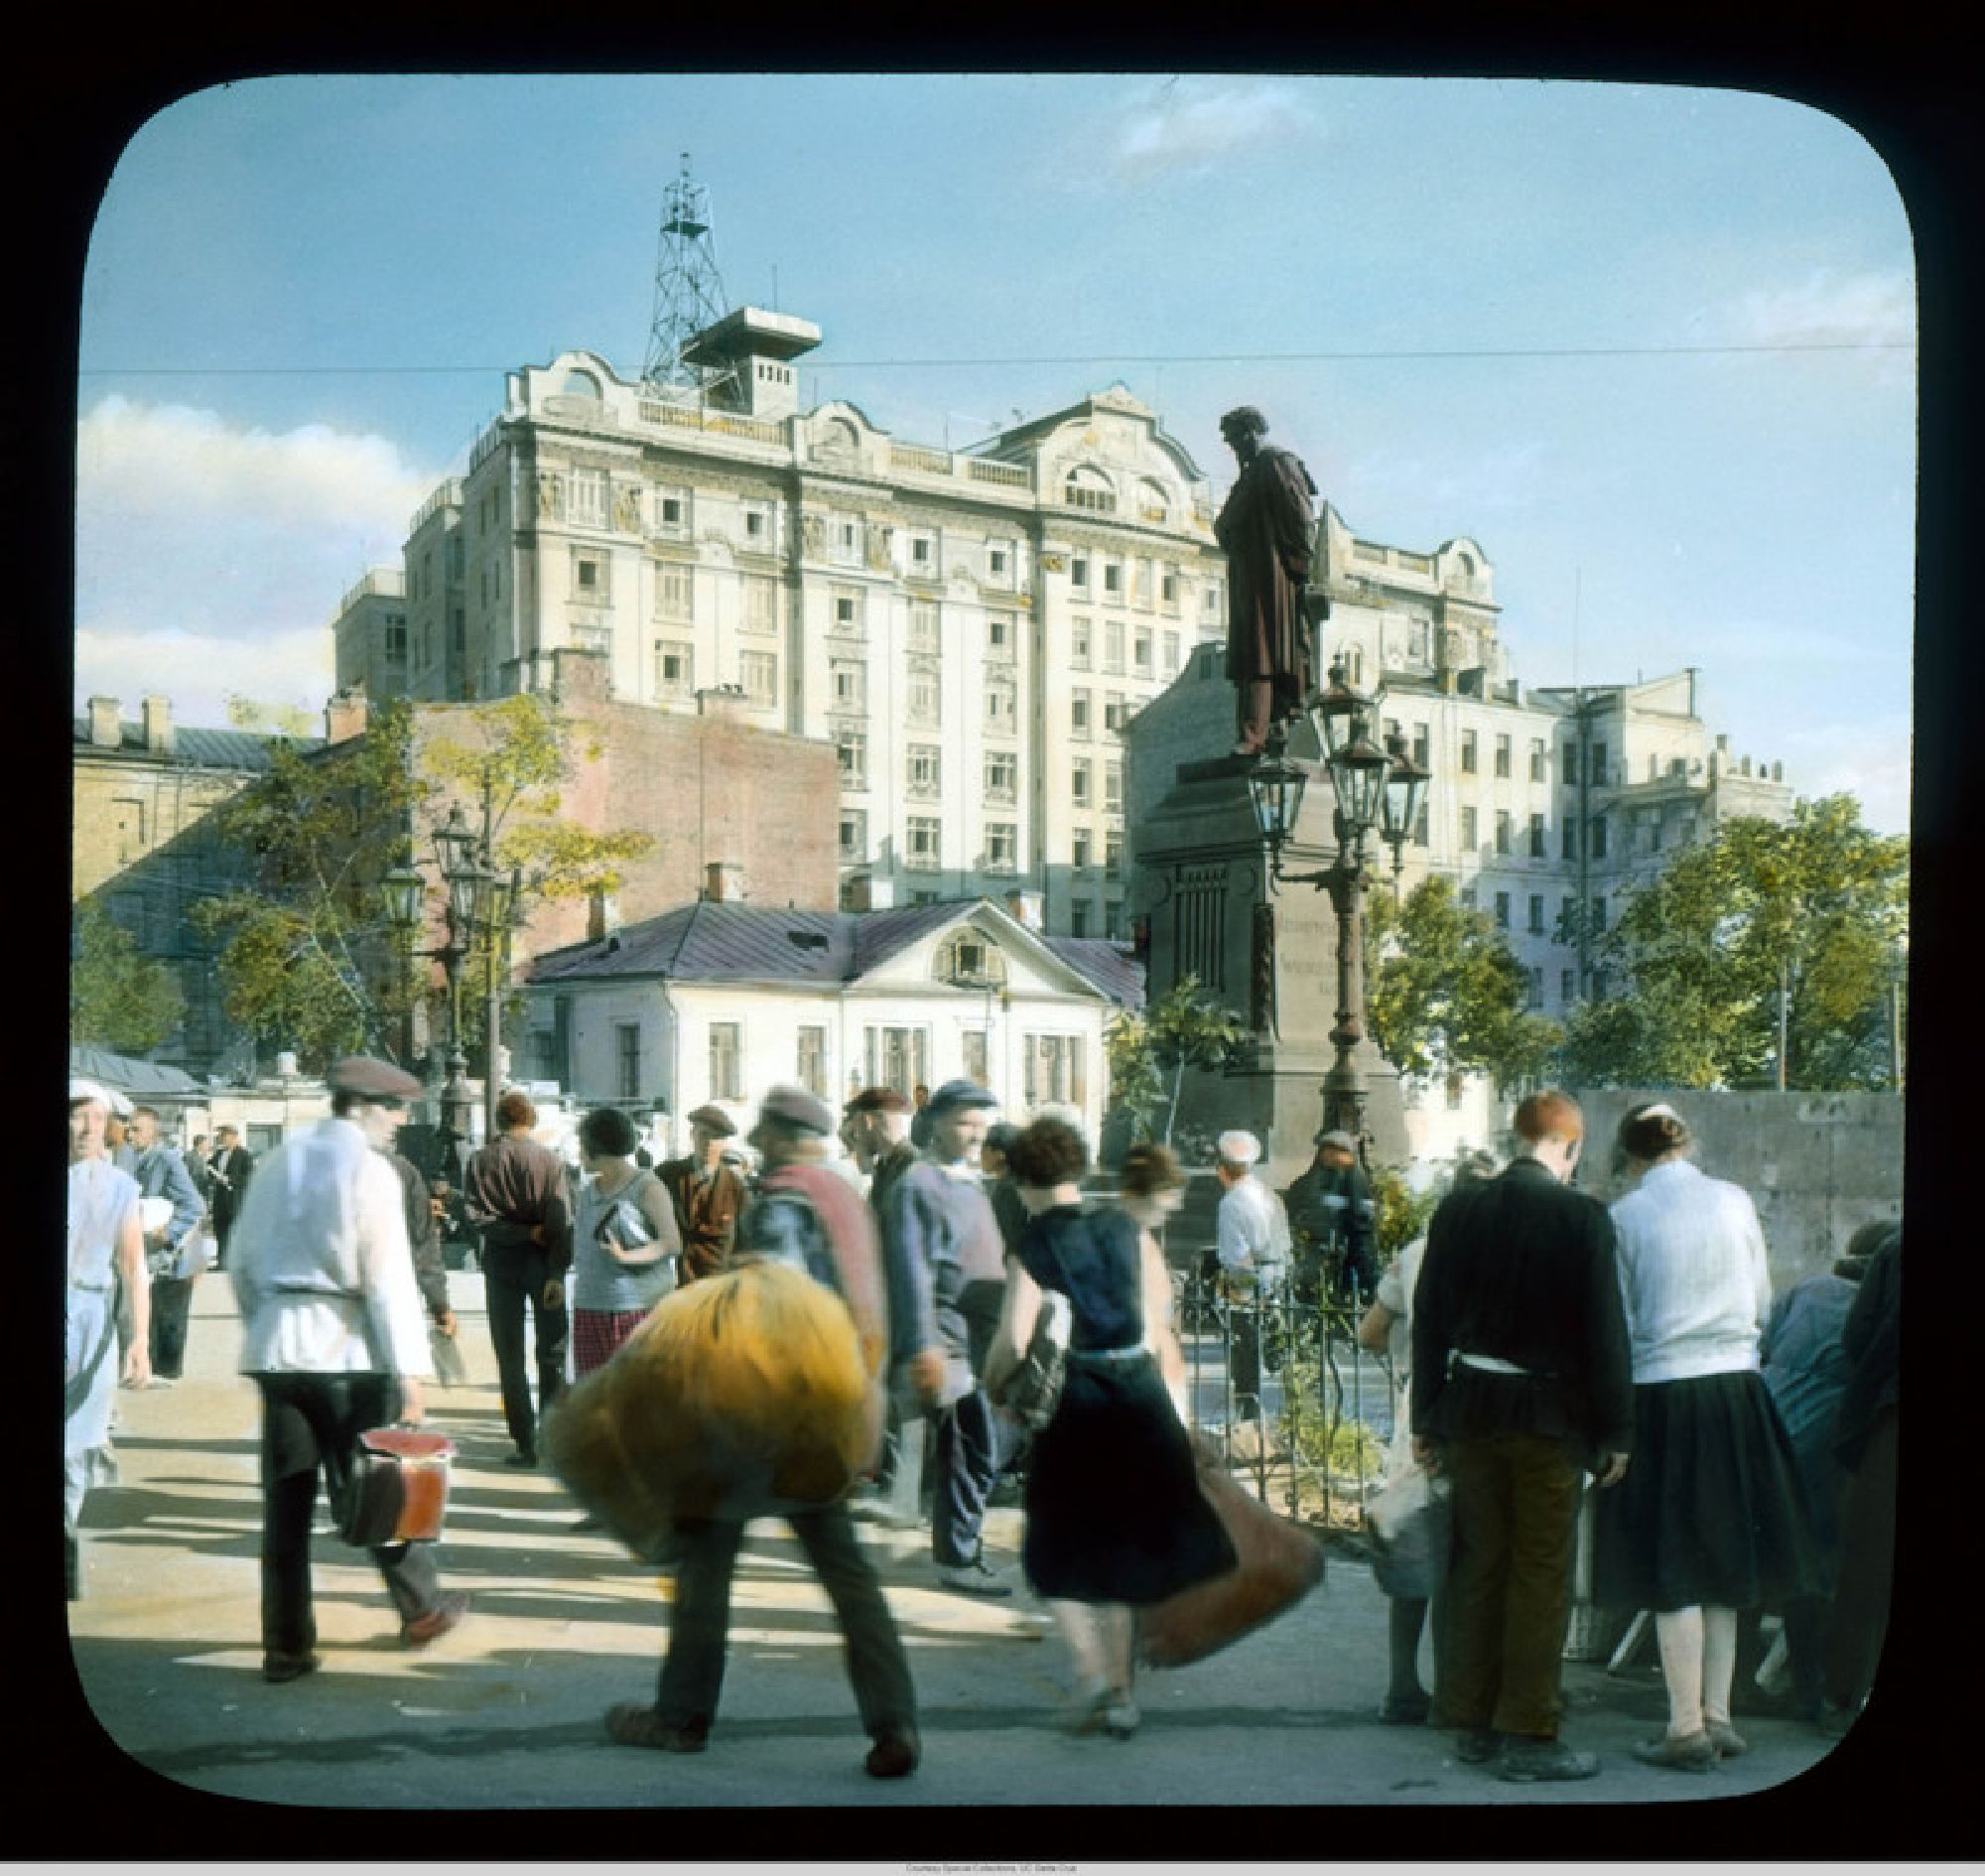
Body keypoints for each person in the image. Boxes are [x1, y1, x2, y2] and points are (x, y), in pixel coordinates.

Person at [604, 1085, 921, 1779]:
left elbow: (770, 1293)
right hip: (833, 1413)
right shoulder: (845, 1199)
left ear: (780, 1136)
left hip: (761, 1417)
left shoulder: (782, 1200)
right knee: (847, 1578)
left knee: (704, 1565)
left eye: (766, 1134)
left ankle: (682, 1718)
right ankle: (893, 1721)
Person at [984, 1116, 1238, 1737]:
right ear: (1080, 1171)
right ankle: (1124, 1699)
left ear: (1021, 1182)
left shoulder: (1033, 1244)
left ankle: (1092, 1670)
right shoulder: (1126, 1228)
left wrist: (995, 1387)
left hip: (1080, 1401)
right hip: (1140, 1395)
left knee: (1054, 1547)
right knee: (1122, 1550)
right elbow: (1157, 1323)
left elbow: (1013, 1340)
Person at [1592, 1101, 1822, 1773]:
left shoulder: (1624, 1217)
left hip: (1663, 1392)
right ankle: (1719, 1716)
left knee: (1674, 1565)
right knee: (1725, 1560)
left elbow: (1622, 1322)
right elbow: (1761, 1301)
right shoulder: (1733, 1201)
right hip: (1737, 1389)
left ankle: (1685, 1726)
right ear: (1685, 1144)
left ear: (1628, 1153)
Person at [1410, 1090, 1633, 1783]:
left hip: (1472, 1410)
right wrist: (1616, 1428)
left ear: (1517, 1137)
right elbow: (1605, 1331)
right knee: (1541, 1575)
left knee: (1480, 1565)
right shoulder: (1582, 1216)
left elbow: (1429, 1318)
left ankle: (1470, 1720)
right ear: (1569, 1147)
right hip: (1548, 1419)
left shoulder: (1460, 1208)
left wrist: (1427, 1415)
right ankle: (1530, 1733)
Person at [227, 1056, 467, 1682]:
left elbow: (241, 1264)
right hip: (349, 1353)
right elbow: (388, 1278)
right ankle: (422, 1609)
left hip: (279, 1351)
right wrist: (409, 1370)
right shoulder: (370, 1171)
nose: (400, 1122)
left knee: (286, 1509)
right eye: (395, 1110)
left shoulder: (277, 1163)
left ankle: (286, 1647)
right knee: (377, 1487)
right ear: (362, 1108)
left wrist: (267, 1326)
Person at [1356, 1149, 1500, 1726]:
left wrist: (1405, 1357)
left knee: (1415, 1540)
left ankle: (1401, 1684)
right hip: (1480, 1404)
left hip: (1419, 1403)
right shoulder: (1502, 1257)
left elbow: (1370, 1332)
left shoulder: (1416, 1253)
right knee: (1467, 1551)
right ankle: (1455, 1689)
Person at [876, 1079, 1013, 1595]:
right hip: (947, 1339)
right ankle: (957, 1558)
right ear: (934, 1123)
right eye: (963, 1122)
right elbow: (912, 1272)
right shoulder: (919, 1184)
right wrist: (923, 1346)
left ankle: (958, 1548)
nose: (975, 1134)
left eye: (981, 1124)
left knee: (976, 1447)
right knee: (971, 1446)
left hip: (977, 1339)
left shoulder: (967, 1181)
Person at [1760, 1222, 1884, 1719]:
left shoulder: (1808, 1288)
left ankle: (1738, 1683)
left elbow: (1766, 1346)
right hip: (1819, 1445)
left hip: (1766, 1428)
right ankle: (1810, 1690)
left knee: (1758, 1557)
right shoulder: (1872, 1310)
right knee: (1814, 1566)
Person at [67, 1079, 151, 1599]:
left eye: (96, 1119)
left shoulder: (119, 1188)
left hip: (92, 1318)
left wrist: (139, 1339)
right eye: (77, 1116)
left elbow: (133, 1266)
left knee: (78, 1440)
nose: (87, 1128)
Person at [463, 1089, 573, 1468]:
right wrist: (557, 1267)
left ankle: (524, 1441)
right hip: (544, 1264)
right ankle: (552, 1437)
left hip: (501, 1264)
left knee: (509, 1356)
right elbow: (562, 1222)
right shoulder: (550, 1162)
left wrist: (517, 1234)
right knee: (552, 1353)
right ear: (531, 1120)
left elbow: (477, 1218)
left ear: (499, 1122)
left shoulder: (480, 1162)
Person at [1820, 1219, 1899, 1736]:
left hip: (1891, 1421)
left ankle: (1843, 1696)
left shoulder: (1894, 1251)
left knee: (1866, 1564)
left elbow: (1859, 1338)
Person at [1214, 404, 1321, 757]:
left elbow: (1302, 518)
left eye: (1236, 440)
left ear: (1252, 433)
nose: (1234, 449)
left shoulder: (1275, 464)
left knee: (1262, 651)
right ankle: (1256, 732)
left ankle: (1257, 733)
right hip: (1250, 577)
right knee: (1250, 653)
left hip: (1271, 578)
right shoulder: (1250, 474)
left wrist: (1301, 570)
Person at [572, 1105, 682, 1378]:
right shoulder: (588, 1192)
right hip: (590, 1306)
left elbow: (672, 1243)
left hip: (636, 1308)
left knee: (633, 1399)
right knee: (593, 1400)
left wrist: (626, 1257)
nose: (580, 1153)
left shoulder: (647, 1188)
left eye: (583, 1145)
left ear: (599, 1148)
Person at [1212, 1130, 1291, 1421]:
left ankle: (1249, 1419)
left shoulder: (1232, 1203)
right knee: (1277, 1353)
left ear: (1222, 1169)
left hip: (1250, 1285)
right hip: (1277, 1277)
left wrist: (1234, 1294)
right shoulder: (1267, 1193)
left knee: (1245, 1361)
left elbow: (1238, 1260)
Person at [125, 1105, 206, 1385]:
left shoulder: (166, 1159)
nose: (130, 1134)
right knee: (155, 1313)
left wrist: (170, 1232)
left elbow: (194, 1205)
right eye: (129, 1128)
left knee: (171, 1317)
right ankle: (156, 1373)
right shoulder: (138, 1160)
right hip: (155, 1255)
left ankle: (169, 1377)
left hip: (176, 1253)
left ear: (153, 1132)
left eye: (136, 1129)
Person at [1114, 1142, 1193, 1422]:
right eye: (1165, 1197)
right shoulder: (1127, 1241)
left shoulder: (1140, 1237)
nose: (1171, 1209)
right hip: (1147, 1381)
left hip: (1158, 1374)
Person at [1283, 1128, 1380, 1305]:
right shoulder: (1309, 1182)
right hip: (1312, 1257)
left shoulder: (1356, 1182)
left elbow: (1362, 1225)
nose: (1333, 1156)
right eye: (1328, 1150)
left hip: (1346, 1258)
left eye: (1339, 1151)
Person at [656, 1104, 745, 1285]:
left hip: (716, 1288)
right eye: (704, 1134)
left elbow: (745, 1245)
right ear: (692, 1135)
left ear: (724, 1144)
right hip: (673, 1286)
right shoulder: (667, 1176)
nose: (709, 1143)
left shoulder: (736, 1188)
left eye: (716, 1137)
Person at [206, 1125, 255, 1270]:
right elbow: (210, 1168)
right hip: (220, 1199)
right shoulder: (219, 1153)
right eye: (221, 1136)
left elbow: (249, 1176)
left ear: (233, 1137)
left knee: (236, 1231)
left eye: (224, 1136)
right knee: (220, 1229)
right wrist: (210, 1172)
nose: (221, 1139)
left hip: (236, 1199)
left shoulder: (244, 1154)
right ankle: (222, 1262)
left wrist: (230, 1180)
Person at [908, 1083, 936, 1151]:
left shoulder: (931, 1114)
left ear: (926, 1096)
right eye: (916, 1096)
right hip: (917, 1152)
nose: (917, 1099)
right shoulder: (917, 1114)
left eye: (920, 1096)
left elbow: (932, 1137)